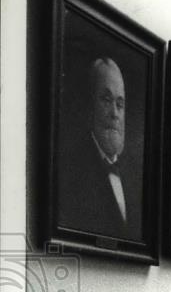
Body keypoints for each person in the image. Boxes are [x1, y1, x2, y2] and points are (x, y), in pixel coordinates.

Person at [60, 56, 142, 240]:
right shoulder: (71, 171)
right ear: (91, 105)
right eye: (106, 100)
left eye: (120, 105)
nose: (114, 113)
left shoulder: (135, 177)